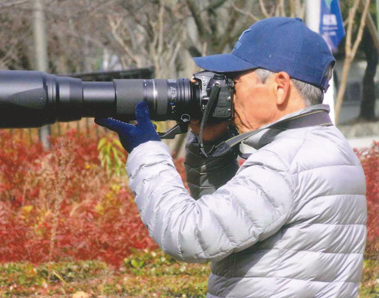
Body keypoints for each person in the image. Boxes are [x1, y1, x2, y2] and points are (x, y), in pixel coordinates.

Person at [96, 17, 367, 298]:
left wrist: (146, 150)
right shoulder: (329, 147)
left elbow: (186, 234)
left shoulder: (286, 161)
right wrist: (210, 144)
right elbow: (232, 223)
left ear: (280, 86)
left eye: (234, 81)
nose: (229, 94)